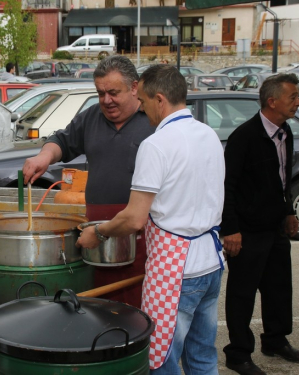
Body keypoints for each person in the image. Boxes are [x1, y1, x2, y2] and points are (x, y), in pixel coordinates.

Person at [78, 64, 225, 374]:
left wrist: (98, 233)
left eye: (143, 101)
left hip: (176, 268)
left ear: (160, 100)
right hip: (211, 261)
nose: (142, 109)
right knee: (202, 356)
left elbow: (133, 219)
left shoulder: (156, 144)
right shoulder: (209, 134)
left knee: (161, 359)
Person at [23, 55, 154, 307]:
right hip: (98, 229)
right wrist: (44, 156)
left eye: (113, 92)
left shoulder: (152, 120)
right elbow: (62, 141)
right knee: (102, 302)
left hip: (142, 232)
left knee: (140, 304)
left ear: (135, 88)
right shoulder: (91, 117)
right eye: (100, 93)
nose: (106, 100)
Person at [222, 73, 299, 375]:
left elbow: (282, 180)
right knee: (242, 294)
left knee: (279, 288)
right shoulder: (245, 137)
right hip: (246, 231)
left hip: (275, 226)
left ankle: (275, 341)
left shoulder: (286, 132)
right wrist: (230, 229)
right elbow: (226, 185)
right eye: (292, 96)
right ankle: (238, 353)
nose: (297, 102)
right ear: (272, 101)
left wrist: (288, 213)